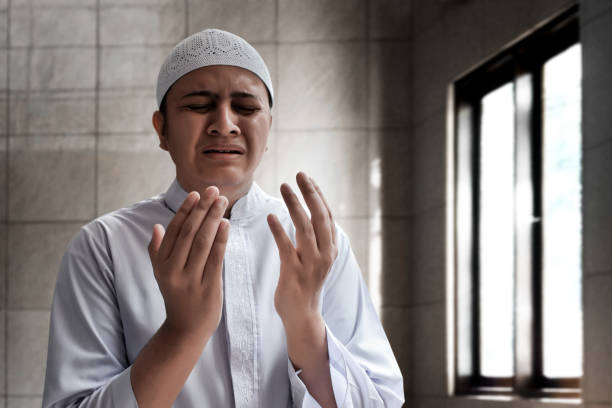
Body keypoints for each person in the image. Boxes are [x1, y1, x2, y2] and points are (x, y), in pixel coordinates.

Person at [42, 28, 404, 408]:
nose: (225, 124)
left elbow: (380, 402)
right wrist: (182, 332)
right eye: (199, 106)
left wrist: (306, 326)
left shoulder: (315, 245)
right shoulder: (104, 245)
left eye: (246, 108)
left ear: (268, 128)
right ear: (162, 129)